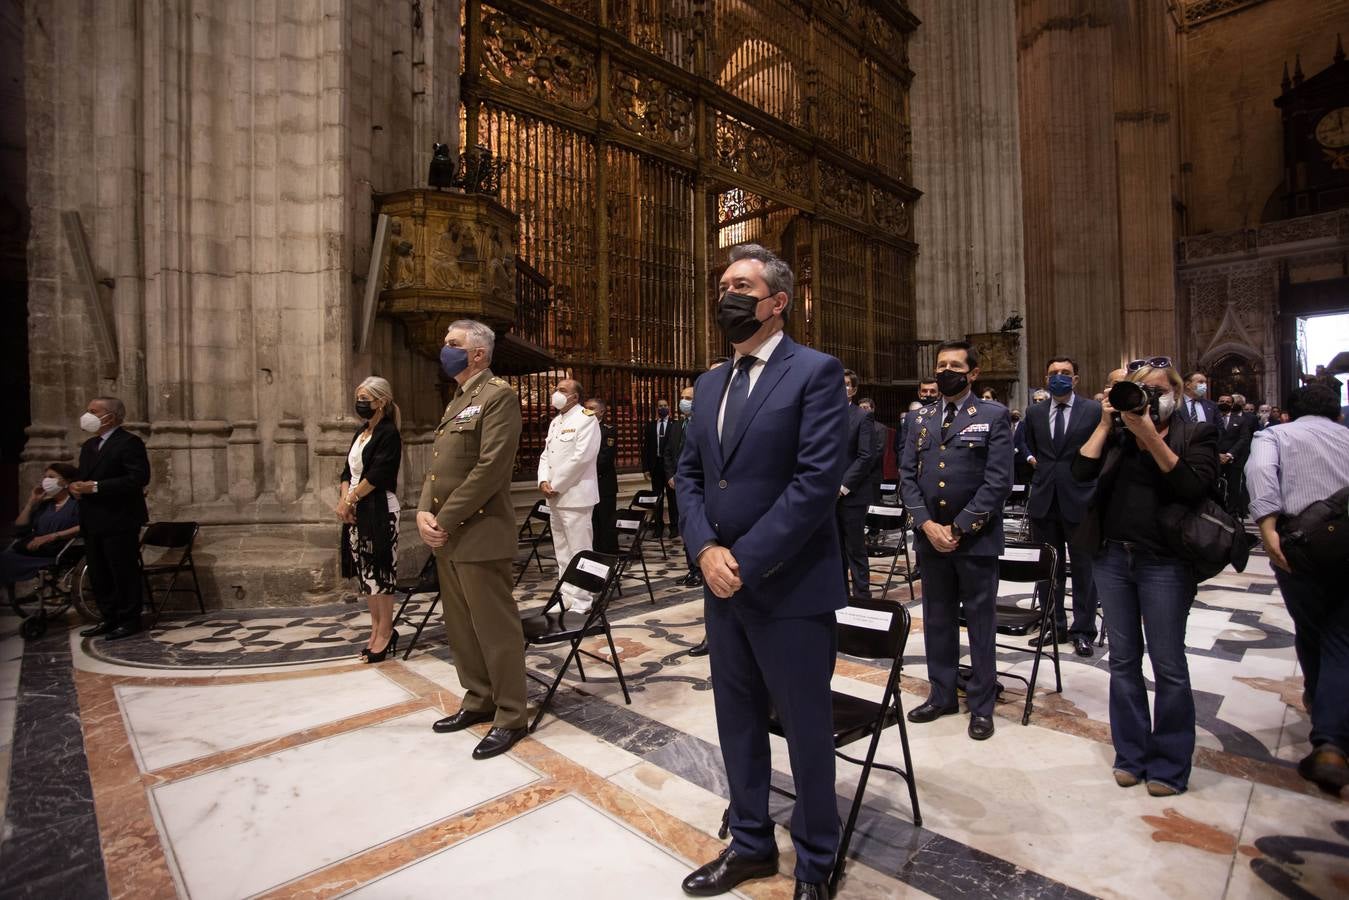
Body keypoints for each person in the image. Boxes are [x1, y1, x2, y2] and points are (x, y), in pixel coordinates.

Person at [675, 243, 848, 899]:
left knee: (805, 729)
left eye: (742, 285)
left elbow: (812, 484)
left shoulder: (814, 372)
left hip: (790, 586)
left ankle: (815, 858)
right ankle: (750, 843)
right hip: (722, 586)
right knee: (737, 721)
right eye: (722, 284)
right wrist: (703, 551)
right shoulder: (709, 382)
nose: (728, 295)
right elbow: (690, 475)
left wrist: (741, 560)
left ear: (777, 302)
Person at [1072, 358, 1219, 796]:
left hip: (1165, 562)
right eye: (1141, 390)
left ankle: (1171, 765)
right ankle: (1131, 754)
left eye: (1157, 389)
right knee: (1122, 659)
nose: (1149, 397)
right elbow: (1080, 473)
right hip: (1114, 558)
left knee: (1169, 664)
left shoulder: (1196, 434)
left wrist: (1150, 435)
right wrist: (1105, 423)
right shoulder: (1116, 434)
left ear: (1176, 391)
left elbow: (1193, 488)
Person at [419, 320, 529, 760]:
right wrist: (424, 511)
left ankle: (510, 715)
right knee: (462, 628)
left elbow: (490, 469)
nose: (445, 350)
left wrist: (442, 517)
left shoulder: (498, 397)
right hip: (449, 536)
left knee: (495, 630)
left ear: (478, 354)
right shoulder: (458, 401)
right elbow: (437, 466)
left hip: (481, 533)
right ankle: (478, 699)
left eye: (453, 344)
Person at [901, 341, 1012, 742]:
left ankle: (981, 704)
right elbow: (907, 477)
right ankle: (942, 694)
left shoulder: (992, 415)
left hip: (975, 539)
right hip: (931, 538)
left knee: (980, 624)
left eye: (955, 365)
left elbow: (999, 480)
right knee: (937, 619)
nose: (947, 370)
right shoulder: (919, 419)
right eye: (941, 365)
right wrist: (927, 524)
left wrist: (961, 526)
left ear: (973, 373)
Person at [1245, 384, 1349, 796]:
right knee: (1340, 635)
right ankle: (1331, 734)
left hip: (1301, 547)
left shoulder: (1275, 435)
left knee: (1312, 629)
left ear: (1288, 411)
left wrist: (1267, 529)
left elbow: (1259, 473)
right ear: (1336, 413)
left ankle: (1328, 736)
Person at [1022, 357, 1103, 657]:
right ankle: (1054, 625)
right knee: (1047, 568)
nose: (1059, 377)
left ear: (1076, 379)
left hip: (1081, 499)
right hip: (1044, 499)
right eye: (1054, 373)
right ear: (1046, 378)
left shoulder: (1093, 410)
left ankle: (1083, 630)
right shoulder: (1035, 412)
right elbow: (1031, 447)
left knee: (1083, 569)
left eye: (1065, 373)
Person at [70, 397, 151, 640]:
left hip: (119, 517)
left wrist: (95, 487)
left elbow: (137, 478)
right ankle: (109, 617)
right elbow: (84, 477)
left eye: (93, 411)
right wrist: (76, 486)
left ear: (111, 417)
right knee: (99, 571)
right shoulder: (89, 446)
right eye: (88, 410)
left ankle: (129, 619)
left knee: (122, 570)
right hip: (93, 518)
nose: (88, 415)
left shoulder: (129, 442)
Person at [338, 377, 403, 662]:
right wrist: (344, 500)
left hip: (379, 509)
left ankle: (386, 631)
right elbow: (346, 473)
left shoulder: (389, 433)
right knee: (366, 577)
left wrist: (350, 500)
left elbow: (377, 474)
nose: (360, 404)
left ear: (381, 402)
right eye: (358, 398)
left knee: (381, 573)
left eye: (365, 398)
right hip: (356, 510)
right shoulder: (361, 432)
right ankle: (375, 628)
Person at [538, 377, 601, 612]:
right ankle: (566, 595)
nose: (556, 393)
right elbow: (546, 454)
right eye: (556, 389)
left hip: (575, 495)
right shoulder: (556, 422)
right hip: (555, 495)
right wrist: (543, 480)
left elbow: (581, 458)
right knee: (562, 551)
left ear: (575, 397)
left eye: (562, 390)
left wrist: (556, 484)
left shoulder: (586, 419)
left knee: (580, 550)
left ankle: (583, 599)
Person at [2, 463, 81, 599]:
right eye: (45, 477)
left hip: (61, 549)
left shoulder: (76, 504)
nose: (46, 481)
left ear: (67, 481)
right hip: (36, 548)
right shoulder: (45, 505)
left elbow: (84, 526)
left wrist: (52, 536)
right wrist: (31, 502)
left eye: (51, 477)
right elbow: (20, 527)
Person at [838, 370, 875, 600]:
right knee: (834, 550)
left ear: (853, 390)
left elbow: (865, 456)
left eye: (845, 385)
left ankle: (862, 595)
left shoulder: (862, 417)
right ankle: (839, 594)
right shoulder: (824, 416)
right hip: (826, 495)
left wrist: (842, 486)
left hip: (850, 495)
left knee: (855, 548)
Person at [664, 385, 703, 589]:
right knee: (685, 528)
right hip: (679, 483)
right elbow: (669, 452)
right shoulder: (677, 425)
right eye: (682, 397)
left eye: (689, 397)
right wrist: (671, 475)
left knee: (697, 527)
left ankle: (701, 570)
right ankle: (692, 569)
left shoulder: (703, 422)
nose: (684, 401)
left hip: (697, 485)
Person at [586, 398, 619, 555]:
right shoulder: (583, 428)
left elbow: (605, 457)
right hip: (587, 484)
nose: (587, 411)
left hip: (603, 482)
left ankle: (610, 554)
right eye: (585, 408)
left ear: (601, 411)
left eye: (591, 408)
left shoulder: (608, 429)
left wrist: (582, 467)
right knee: (592, 521)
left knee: (606, 520)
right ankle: (595, 552)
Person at [641, 398, 679, 538]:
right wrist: (645, 468)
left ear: (669, 407)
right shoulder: (650, 426)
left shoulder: (675, 425)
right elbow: (645, 448)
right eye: (660, 406)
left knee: (672, 498)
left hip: (670, 468)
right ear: (656, 408)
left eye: (665, 405)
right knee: (657, 498)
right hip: (655, 466)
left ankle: (674, 527)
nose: (662, 408)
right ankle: (658, 527)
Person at [1214, 393, 1253, 517]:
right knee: (1214, 486)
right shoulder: (1212, 418)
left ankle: (1231, 513)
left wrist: (1230, 454)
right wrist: (1217, 454)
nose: (1224, 403)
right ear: (1217, 403)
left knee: (1234, 487)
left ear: (1232, 404)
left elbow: (1244, 438)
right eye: (1221, 401)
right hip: (1214, 457)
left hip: (1234, 459)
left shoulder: (1241, 420)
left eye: (1227, 401)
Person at [897, 378, 939, 459]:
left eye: (932, 391)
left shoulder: (946, 412)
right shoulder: (911, 416)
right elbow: (904, 447)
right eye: (924, 391)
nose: (928, 394)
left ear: (939, 394)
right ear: (919, 394)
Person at [857, 397, 887, 506]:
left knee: (873, 506)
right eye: (860, 408)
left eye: (865, 408)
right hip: (856, 475)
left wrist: (861, 467)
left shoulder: (880, 428)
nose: (862, 411)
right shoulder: (855, 426)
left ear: (872, 409)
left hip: (872, 474)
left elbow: (879, 451)